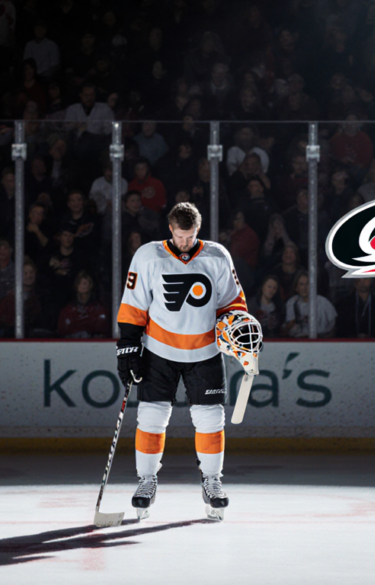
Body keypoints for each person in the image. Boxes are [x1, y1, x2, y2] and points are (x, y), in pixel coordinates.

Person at [117, 202, 249, 520]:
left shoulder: (217, 256)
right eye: (179, 236)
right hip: (159, 351)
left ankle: (212, 481)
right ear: (170, 230)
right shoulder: (148, 256)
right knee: (150, 417)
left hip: (205, 353)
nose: (185, 243)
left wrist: (239, 329)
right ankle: (146, 481)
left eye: (190, 237)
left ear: (197, 231)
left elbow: (233, 303)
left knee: (210, 420)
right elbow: (133, 306)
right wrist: (128, 347)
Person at [281, 271, 337, 337]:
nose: (304, 288)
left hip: (321, 339)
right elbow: (286, 329)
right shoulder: (291, 303)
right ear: (296, 288)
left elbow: (333, 325)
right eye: (301, 284)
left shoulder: (323, 302)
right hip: (298, 341)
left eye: (307, 284)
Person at [57, 271, 110, 338]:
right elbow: (63, 330)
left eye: (85, 283)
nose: (82, 286)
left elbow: (102, 328)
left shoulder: (99, 309)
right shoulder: (67, 310)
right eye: (79, 283)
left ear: (90, 285)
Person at [247, 273, 283, 338]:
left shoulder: (278, 307)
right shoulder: (251, 305)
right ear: (263, 286)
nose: (271, 290)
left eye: (274, 288)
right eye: (269, 287)